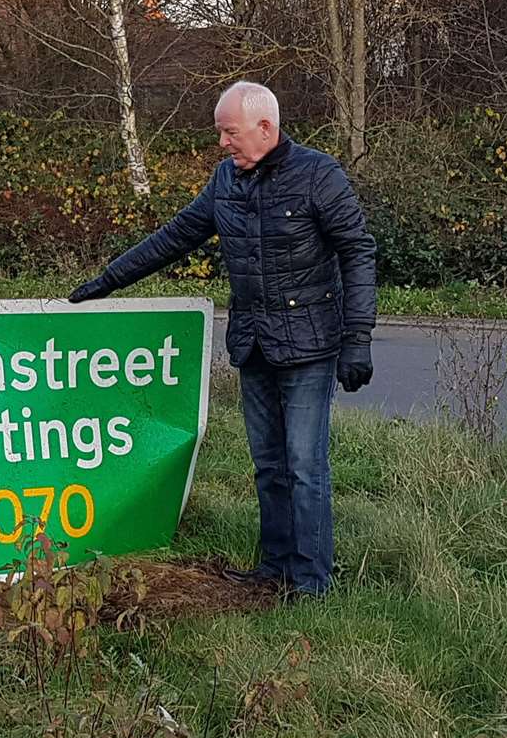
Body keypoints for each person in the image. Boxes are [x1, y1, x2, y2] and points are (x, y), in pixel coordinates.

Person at [67, 80, 377, 598]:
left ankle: (311, 582)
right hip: (253, 344)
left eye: (229, 133)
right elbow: (173, 237)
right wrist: (106, 281)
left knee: (304, 466)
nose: (222, 144)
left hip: (310, 346)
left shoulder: (319, 176)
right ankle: (274, 568)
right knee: (269, 466)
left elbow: (357, 251)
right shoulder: (224, 183)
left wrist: (358, 339)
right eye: (220, 134)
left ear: (265, 128)